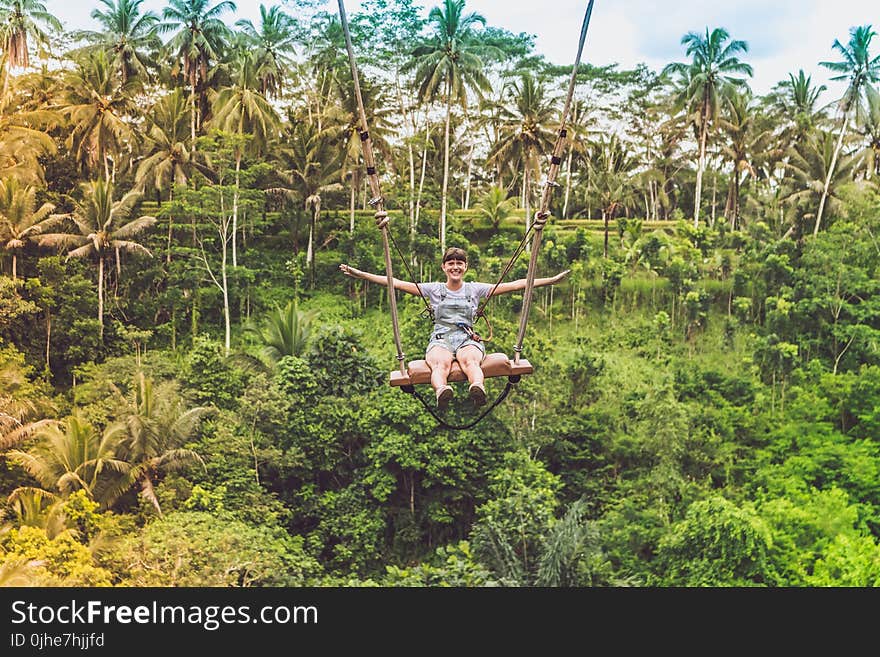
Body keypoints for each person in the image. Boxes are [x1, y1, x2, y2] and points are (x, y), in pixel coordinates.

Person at [340, 246, 570, 410]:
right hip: (441, 338)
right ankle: (442, 391)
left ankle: (477, 388)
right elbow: (396, 282)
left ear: (466, 267)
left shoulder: (475, 289)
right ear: (444, 267)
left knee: (470, 360)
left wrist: (549, 280)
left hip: (467, 338)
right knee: (440, 363)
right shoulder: (433, 289)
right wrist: (361, 274)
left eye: (459, 263)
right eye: (451, 263)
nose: (455, 267)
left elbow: (517, 284)